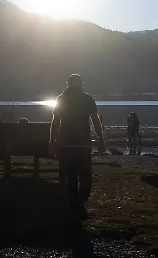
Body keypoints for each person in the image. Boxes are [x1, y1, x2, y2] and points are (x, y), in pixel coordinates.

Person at [49, 74, 106, 221]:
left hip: (66, 144)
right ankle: (81, 203)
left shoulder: (62, 99)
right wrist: (101, 138)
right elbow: (95, 120)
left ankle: (76, 206)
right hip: (83, 144)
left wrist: (52, 142)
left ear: (67, 84)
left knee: (71, 178)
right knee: (85, 176)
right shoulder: (87, 99)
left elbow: (55, 123)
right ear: (81, 84)